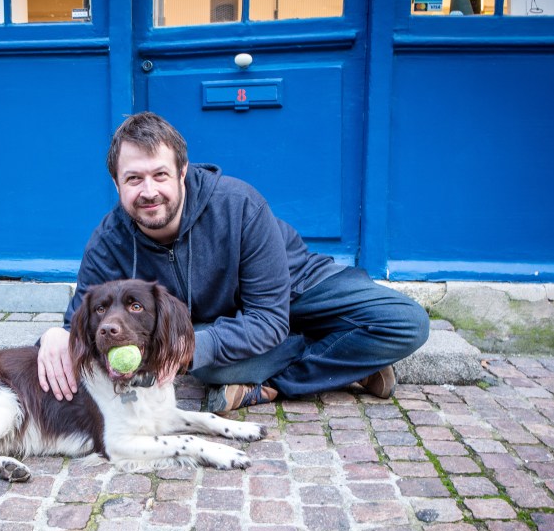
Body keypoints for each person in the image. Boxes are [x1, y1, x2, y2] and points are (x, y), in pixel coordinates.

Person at [38, 112, 429, 412]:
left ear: (182, 173)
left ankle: (277, 377)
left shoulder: (239, 205)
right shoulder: (110, 241)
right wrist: (55, 335)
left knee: (406, 323)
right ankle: (346, 364)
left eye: (160, 174)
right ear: (117, 184)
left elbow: (271, 317)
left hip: (294, 289)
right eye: (134, 179)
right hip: (225, 323)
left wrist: (194, 346)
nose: (149, 191)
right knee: (203, 360)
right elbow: (82, 323)